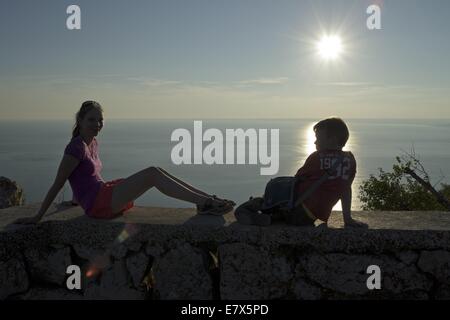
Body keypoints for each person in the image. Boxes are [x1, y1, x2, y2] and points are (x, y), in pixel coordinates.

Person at [14, 101, 234, 224]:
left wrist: (75, 199)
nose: (97, 124)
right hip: (99, 204)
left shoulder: (93, 143)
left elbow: (82, 177)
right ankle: (204, 203)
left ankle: (206, 199)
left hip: (102, 193)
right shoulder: (75, 147)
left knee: (156, 170)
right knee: (152, 174)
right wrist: (37, 217)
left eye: (100, 120)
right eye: (91, 119)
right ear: (79, 120)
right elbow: (59, 182)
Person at [236, 117, 368, 228]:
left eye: (318, 138)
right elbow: (345, 190)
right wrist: (348, 219)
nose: (315, 142)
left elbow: (298, 179)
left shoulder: (316, 157)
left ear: (332, 139)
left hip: (297, 210)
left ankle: (261, 211)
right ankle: (270, 215)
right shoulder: (349, 160)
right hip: (312, 217)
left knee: (275, 198)